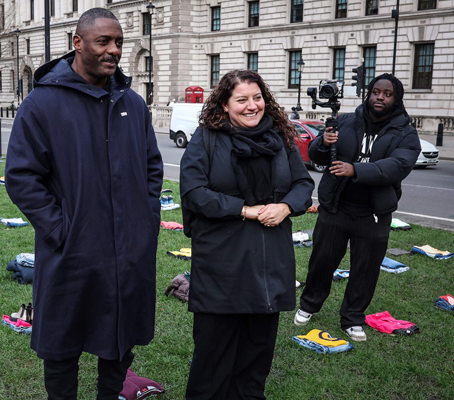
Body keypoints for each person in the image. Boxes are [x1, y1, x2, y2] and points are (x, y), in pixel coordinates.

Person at [4, 8, 163, 399]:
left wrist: (145, 221)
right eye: (103, 41)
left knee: (121, 340)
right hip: (71, 251)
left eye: (119, 42)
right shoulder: (42, 104)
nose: (114, 50)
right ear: (77, 43)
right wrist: (62, 228)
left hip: (128, 250)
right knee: (62, 344)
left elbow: (152, 169)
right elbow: (22, 177)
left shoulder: (133, 103)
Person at [180, 69, 314, 400]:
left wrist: (285, 207)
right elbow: (194, 190)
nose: (252, 106)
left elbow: (303, 185)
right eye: (241, 99)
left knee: (256, 358)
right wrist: (245, 209)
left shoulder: (281, 138)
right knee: (214, 357)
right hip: (222, 262)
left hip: (269, 262)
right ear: (224, 105)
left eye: (257, 98)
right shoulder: (207, 138)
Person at [295, 73, 420, 342]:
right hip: (336, 206)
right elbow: (317, 156)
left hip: (373, 212)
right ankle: (309, 305)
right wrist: (322, 143)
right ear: (369, 93)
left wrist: (356, 170)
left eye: (387, 94)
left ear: (396, 99)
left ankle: (352, 318)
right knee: (322, 260)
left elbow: (399, 166)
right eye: (376, 92)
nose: (380, 97)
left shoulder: (405, 132)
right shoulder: (346, 121)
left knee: (365, 268)